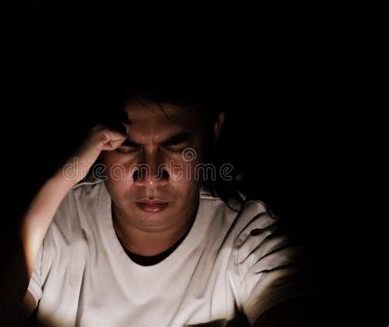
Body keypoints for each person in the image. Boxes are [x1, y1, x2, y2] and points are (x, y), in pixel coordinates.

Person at [18, 84, 314, 326]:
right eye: (125, 147)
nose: (150, 177)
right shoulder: (56, 221)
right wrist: (57, 182)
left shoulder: (248, 235)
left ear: (214, 131)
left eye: (175, 147)